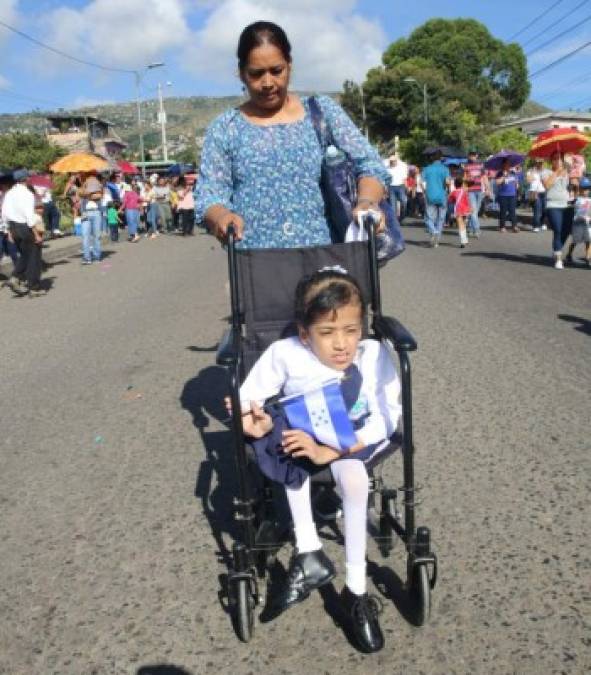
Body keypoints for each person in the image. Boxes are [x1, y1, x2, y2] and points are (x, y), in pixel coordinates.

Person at [232, 267, 401, 652]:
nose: (342, 344)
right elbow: (249, 397)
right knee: (276, 430)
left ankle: (355, 592)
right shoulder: (286, 354)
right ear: (304, 332)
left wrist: (336, 450)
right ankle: (309, 549)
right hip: (302, 439)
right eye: (327, 333)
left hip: (352, 440)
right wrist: (248, 417)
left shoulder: (373, 355)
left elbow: (388, 416)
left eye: (351, 330)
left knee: (356, 481)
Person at [195, 21, 389, 249]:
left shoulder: (322, 112)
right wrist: (221, 217)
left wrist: (367, 202)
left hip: (326, 261)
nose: (267, 83)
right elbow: (210, 195)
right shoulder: (225, 128)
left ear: (289, 65)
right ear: (241, 74)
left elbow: (369, 166)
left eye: (276, 71)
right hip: (255, 266)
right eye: (256, 74)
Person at [2, 169, 44, 294]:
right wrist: (36, 234)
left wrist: (8, 231)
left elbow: (4, 213)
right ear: (26, 179)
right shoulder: (27, 194)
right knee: (34, 256)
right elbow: (29, 215)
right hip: (25, 226)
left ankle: (15, 277)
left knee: (25, 254)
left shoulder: (9, 193)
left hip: (14, 227)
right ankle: (33, 287)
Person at [542, 152, 572, 269]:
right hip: (553, 204)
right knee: (558, 230)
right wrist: (556, 172)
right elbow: (547, 185)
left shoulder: (567, 172)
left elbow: (571, 185)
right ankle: (559, 259)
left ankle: (556, 248)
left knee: (566, 230)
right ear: (551, 161)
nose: (558, 161)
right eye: (555, 159)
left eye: (560, 159)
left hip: (567, 205)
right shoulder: (546, 172)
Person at [422, 150, 450, 247]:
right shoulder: (445, 169)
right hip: (442, 195)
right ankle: (436, 241)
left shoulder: (426, 169)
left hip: (430, 195)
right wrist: (447, 188)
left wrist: (424, 192)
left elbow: (422, 183)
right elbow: (447, 182)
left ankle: (433, 231)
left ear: (432, 158)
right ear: (441, 158)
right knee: (441, 218)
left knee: (429, 218)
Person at [565, 177, 591, 267]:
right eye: (583, 189)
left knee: (589, 240)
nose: (585, 191)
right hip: (578, 223)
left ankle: (588, 257)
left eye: (587, 189)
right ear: (580, 189)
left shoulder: (590, 199)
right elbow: (567, 203)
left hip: (588, 223)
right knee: (575, 241)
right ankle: (569, 254)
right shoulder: (576, 199)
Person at [463, 149, 488, 238]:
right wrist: (465, 188)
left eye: (474, 154)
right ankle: (477, 229)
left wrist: (488, 188)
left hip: (479, 190)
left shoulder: (481, 165)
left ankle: (470, 228)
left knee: (475, 212)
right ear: (468, 155)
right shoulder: (466, 165)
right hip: (470, 191)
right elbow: (464, 178)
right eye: (471, 154)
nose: (473, 156)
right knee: (473, 212)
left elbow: (484, 177)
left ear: (477, 155)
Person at [79, 173, 103, 264]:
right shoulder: (82, 185)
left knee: (97, 236)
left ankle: (97, 256)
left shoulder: (97, 184)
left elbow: (99, 195)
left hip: (96, 211)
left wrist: (88, 194)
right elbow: (80, 194)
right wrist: (85, 190)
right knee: (85, 235)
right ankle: (87, 257)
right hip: (85, 213)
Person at [495, 159, 519, 233]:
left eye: (508, 164)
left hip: (512, 194)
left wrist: (516, 184)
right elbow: (497, 182)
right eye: (506, 164)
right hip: (503, 195)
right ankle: (502, 226)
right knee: (503, 211)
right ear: (503, 165)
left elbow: (517, 184)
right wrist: (504, 177)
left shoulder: (513, 173)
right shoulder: (499, 173)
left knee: (512, 211)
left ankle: (514, 226)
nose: (507, 166)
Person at [448, 177, 471, 248]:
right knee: (463, 224)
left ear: (455, 184)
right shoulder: (464, 192)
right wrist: (470, 208)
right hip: (465, 209)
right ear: (462, 184)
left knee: (460, 225)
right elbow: (467, 200)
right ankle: (465, 239)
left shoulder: (453, 192)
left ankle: (463, 241)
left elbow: (450, 200)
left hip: (458, 209)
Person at [526, 159, 547, 233]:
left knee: (544, 210)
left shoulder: (545, 171)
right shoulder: (530, 171)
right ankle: (536, 226)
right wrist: (533, 172)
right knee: (537, 210)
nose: (540, 164)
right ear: (535, 163)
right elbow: (528, 180)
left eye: (541, 163)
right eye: (538, 162)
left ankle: (542, 223)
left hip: (544, 192)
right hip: (535, 192)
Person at [387, 154, 408, 223]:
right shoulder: (387, 168)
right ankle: (395, 221)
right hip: (391, 187)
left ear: (396, 161)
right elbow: (386, 179)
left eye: (393, 161)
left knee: (404, 201)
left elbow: (405, 178)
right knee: (393, 206)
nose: (392, 162)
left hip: (400, 186)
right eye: (391, 161)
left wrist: (406, 187)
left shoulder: (402, 167)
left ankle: (402, 216)